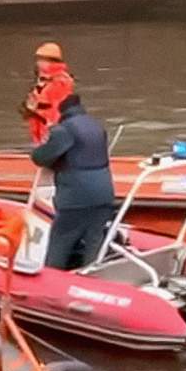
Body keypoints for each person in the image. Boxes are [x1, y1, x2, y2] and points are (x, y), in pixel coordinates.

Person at [31, 92, 116, 272]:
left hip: (76, 198)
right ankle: (92, 278)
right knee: (94, 241)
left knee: (61, 242)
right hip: (105, 194)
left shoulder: (65, 130)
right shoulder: (96, 126)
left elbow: (41, 157)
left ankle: (52, 280)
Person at [21, 42, 75, 143]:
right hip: (40, 126)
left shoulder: (60, 81)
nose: (38, 63)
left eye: (41, 60)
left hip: (50, 129)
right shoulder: (44, 79)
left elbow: (58, 107)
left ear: (50, 60)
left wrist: (52, 130)